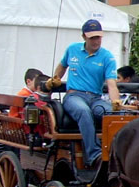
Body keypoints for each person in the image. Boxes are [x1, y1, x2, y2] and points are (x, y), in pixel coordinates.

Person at [46, 19, 121, 173]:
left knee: (112, 115)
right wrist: (56, 78)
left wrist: (116, 102)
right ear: (84, 37)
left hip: (95, 98)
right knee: (83, 111)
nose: (96, 41)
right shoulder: (72, 49)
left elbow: (112, 84)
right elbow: (62, 66)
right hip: (74, 96)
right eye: (92, 37)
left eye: (98, 37)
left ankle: (117, 152)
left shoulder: (107, 57)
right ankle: (94, 155)